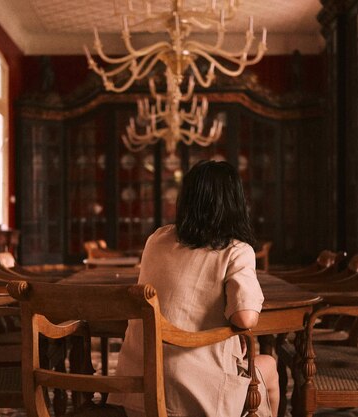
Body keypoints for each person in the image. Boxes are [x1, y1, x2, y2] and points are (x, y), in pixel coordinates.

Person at [108, 160, 279, 417]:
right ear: (235, 203)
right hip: (192, 395)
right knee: (269, 366)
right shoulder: (236, 250)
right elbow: (245, 318)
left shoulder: (156, 239)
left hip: (137, 393)